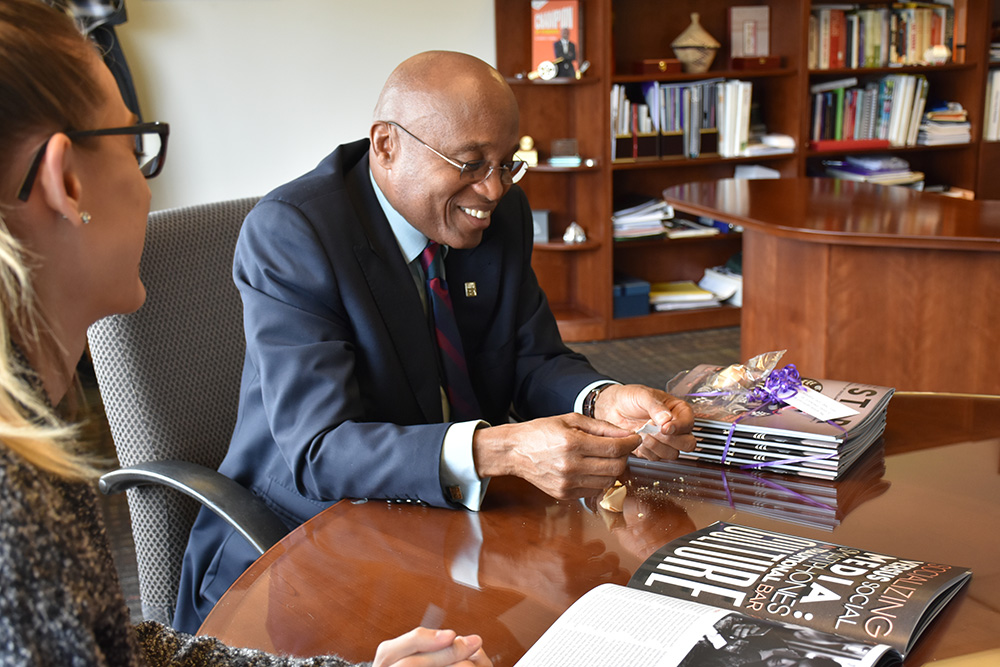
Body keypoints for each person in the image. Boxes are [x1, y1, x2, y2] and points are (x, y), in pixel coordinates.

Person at [0, 2, 488, 665]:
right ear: (67, 181)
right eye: (134, 141)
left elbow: (124, 649)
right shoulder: (16, 514)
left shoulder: (34, 421)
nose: (147, 182)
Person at [175, 49, 696, 632]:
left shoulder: (502, 216)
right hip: (307, 539)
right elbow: (321, 449)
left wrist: (601, 397)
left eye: (508, 164)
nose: (494, 189)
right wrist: (500, 450)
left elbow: (531, 357)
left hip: (460, 528)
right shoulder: (294, 233)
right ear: (386, 145)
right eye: (471, 163)